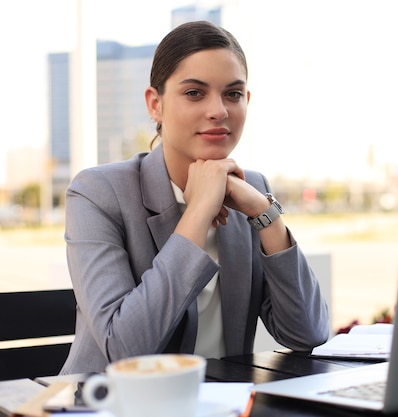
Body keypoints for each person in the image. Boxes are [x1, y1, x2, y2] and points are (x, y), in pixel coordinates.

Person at [60, 21, 329, 374]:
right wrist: (198, 211)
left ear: (246, 101)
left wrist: (266, 215)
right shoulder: (98, 193)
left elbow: (306, 332)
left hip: (222, 403)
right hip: (113, 405)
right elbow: (125, 350)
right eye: (194, 93)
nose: (219, 110)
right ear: (155, 105)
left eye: (233, 94)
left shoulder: (252, 190)